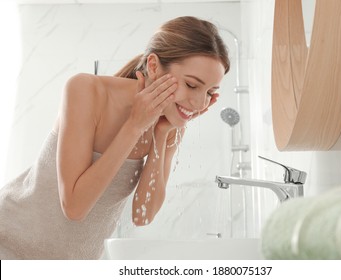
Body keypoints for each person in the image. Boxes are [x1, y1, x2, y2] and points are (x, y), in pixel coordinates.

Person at [0, 16, 230, 259]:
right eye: (192, 85)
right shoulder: (86, 90)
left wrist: (162, 134)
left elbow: (143, 215)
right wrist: (134, 126)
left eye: (210, 93)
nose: (198, 103)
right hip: (11, 243)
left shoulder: (169, 122)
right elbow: (74, 207)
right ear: (153, 66)